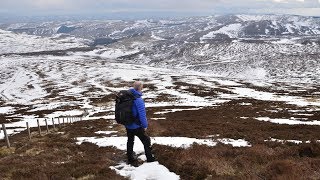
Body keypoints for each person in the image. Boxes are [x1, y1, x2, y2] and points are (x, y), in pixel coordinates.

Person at [125, 81, 155, 164]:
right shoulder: (138, 99)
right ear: (141, 88)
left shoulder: (127, 96)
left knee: (130, 140)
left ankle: (130, 158)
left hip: (128, 124)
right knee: (146, 140)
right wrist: (145, 126)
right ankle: (150, 158)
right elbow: (142, 115)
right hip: (136, 125)